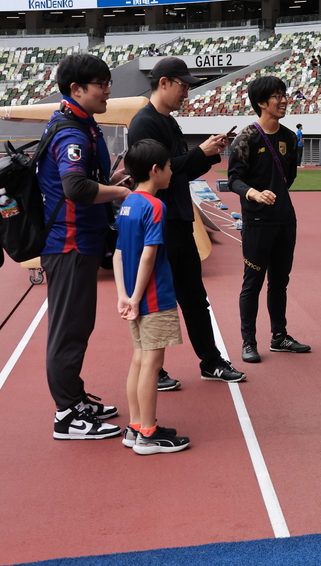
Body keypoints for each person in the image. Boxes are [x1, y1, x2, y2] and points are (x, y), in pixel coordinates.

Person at [127, 57, 245, 386]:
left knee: (194, 297)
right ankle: (154, 368)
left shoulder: (170, 122)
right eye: (183, 86)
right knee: (156, 299)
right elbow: (157, 173)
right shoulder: (144, 123)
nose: (186, 93)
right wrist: (198, 153)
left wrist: (208, 154)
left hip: (178, 219)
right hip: (157, 221)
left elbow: (180, 171)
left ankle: (211, 362)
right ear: (163, 82)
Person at [39, 54, 131, 440]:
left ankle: (75, 400)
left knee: (78, 326)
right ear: (76, 89)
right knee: (69, 330)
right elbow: (75, 188)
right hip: (70, 244)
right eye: (101, 84)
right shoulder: (72, 133)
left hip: (79, 242)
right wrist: (121, 193)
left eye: (109, 82)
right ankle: (66, 415)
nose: (108, 90)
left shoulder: (81, 123)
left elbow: (85, 179)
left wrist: (113, 181)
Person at [112, 139, 191, 456]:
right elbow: (149, 255)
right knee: (152, 364)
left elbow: (118, 254)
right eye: (169, 167)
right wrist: (135, 297)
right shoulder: (156, 206)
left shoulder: (127, 204)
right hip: (154, 297)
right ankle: (148, 432)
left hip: (135, 296)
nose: (172, 172)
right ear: (156, 169)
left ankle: (135, 426)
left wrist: (124, 295)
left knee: (139, 359)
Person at [228, 76, 310, 364]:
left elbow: (290, 177)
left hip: (285, 221)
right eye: (277, 96)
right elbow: (234, 179)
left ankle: (279, 336)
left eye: (284, 95)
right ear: (261, 102)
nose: (284, 100)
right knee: (252, 282)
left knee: (280, 282)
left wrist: (275, 195)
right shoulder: (246, 138)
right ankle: (248, 342)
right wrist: (254, 193)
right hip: (256, 222)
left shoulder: (289, 137)